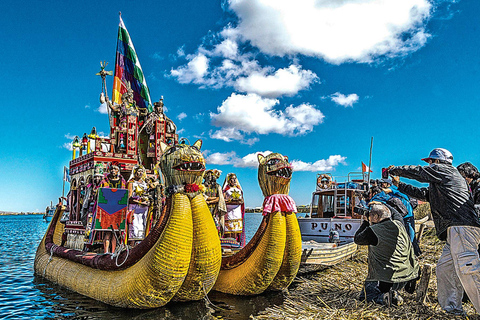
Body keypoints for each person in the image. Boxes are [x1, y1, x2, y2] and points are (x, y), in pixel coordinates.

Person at [388, 148, 480, 315]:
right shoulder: (442, 183)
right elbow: (424, 194)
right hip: (455, 229)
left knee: (468, 269)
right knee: (445, 269)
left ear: (437, 161)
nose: (429, 165)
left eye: (430, 162)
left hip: (462, 227)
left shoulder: (446, 170)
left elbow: (419, 172)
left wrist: (395, 169)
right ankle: (453, 310)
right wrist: (399, 185)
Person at [355, 203, 419, 306]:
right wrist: (383, 204)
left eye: (371, 215)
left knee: (365, 297)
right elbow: (396, 213)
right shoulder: (399, 224)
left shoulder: (374, 231)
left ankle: (387, 297)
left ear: (376, 217)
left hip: (387, 279)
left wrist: (366, 222)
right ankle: (393, 292)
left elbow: (357, 239)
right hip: (407, 275)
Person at [380, 178, 421, 256]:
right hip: (400, 216)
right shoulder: (386, 192)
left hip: (407, 215)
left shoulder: (394, 188)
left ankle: (415, 254)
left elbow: (401, 194)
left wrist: (389, 190)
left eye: (383, 183)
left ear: (388, 184)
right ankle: (411, 253)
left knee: (410, 235)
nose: (382, 185)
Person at [99, 163, 127, 254]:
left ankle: (113, 251)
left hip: (118, 208)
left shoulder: (122, 181)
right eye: (111, 169)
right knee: (107, 231)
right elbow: (100, 193)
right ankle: (106, 251)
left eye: (115, 169)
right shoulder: (104, 181)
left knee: (115, 232)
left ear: (118, 171)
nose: (113, 171)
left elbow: (124, 194)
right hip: (106, 208)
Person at [127, 165, 150, 246]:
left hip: (144, 209)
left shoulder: (144, 183)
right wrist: (139, 202)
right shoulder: (131, 183)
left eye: (141, 171)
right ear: (135, 172)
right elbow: (129, 198)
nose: (140, 173)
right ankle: (132, 247)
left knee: (143, 227)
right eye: (139, 171)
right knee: (134, 227)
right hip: (134, 208)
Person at [222, 173, 245, 246]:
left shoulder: (239, 189)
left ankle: (235, 244)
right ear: (229, 180)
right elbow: (223, 200)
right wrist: (230, 201)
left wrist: (239, 201)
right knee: (229, 229)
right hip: (229, 212)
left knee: (236, 229)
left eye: (235, 178)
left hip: (237, 212)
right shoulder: (226, 190)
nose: (234, 180)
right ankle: (228, 244)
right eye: (232, 179)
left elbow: (242, 201)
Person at [203, 169, 227, 235]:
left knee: (215, 225)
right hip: (203, 208)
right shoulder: (202, 186)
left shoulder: (217, 187)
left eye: (211, 176)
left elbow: (220, 198)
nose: (210, 177)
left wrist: (209, 201)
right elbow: (201, 197)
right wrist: (211, 199)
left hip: (215, 208)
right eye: (208, 176)